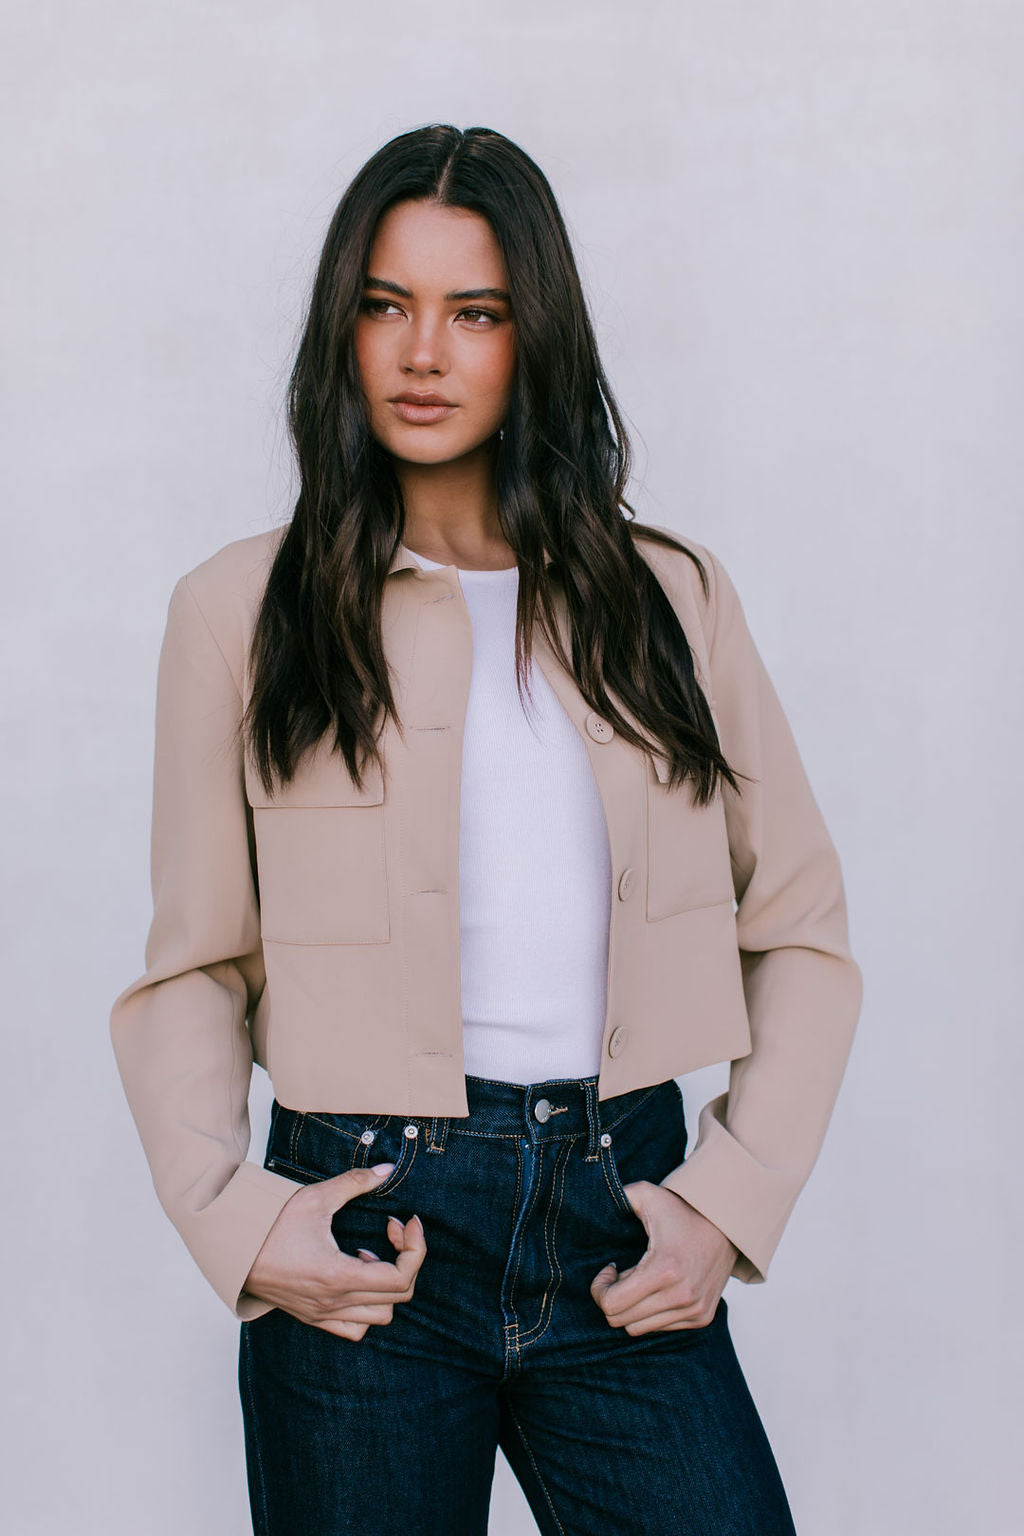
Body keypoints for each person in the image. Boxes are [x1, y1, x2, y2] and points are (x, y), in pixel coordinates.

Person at [110, 123, 863, 1536]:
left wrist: (727, 1198)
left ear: (536, 341)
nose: (422, 352)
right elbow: (193, 967)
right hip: (364, 1229)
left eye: (475, 313)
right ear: (342, 330)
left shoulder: (671, 602)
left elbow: (803, 929)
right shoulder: (239, 614)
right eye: (386, 307)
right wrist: (239, 1215)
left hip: (618, 1217)